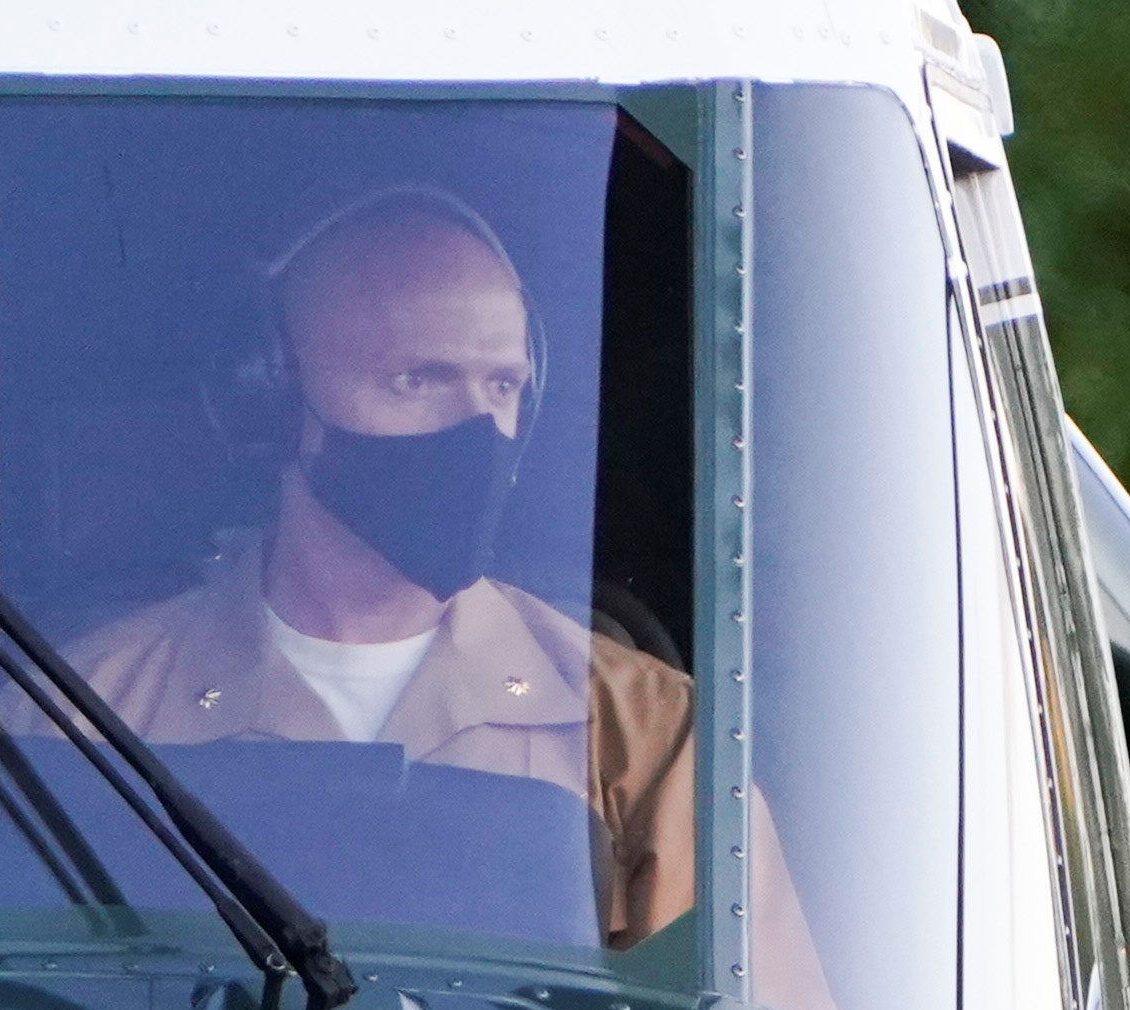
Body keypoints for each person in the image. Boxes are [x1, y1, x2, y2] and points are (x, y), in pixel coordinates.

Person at [70, 185, 700, 950]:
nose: (479, 428)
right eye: (420, 379)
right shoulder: (83, 713)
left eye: (501, 386)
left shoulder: (642, 730)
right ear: (267, 401)